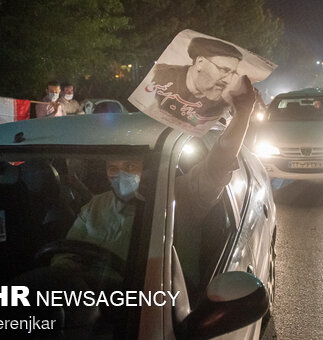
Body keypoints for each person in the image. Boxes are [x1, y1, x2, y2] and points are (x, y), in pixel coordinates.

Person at [54, 75, 256, 286]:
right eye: (112, 168)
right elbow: (64, 256)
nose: (119, 175)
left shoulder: (181, 197)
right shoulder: (96, 205)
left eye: (130, 167)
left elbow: (217, 166)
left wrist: (242, 114)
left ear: (146, 168)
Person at [146, 37, 244, 126]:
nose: (228, 80)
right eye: (224, 70)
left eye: (233, 73)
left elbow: (196, 121)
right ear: (200, 62)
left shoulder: (219, 105)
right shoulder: (160, 75)